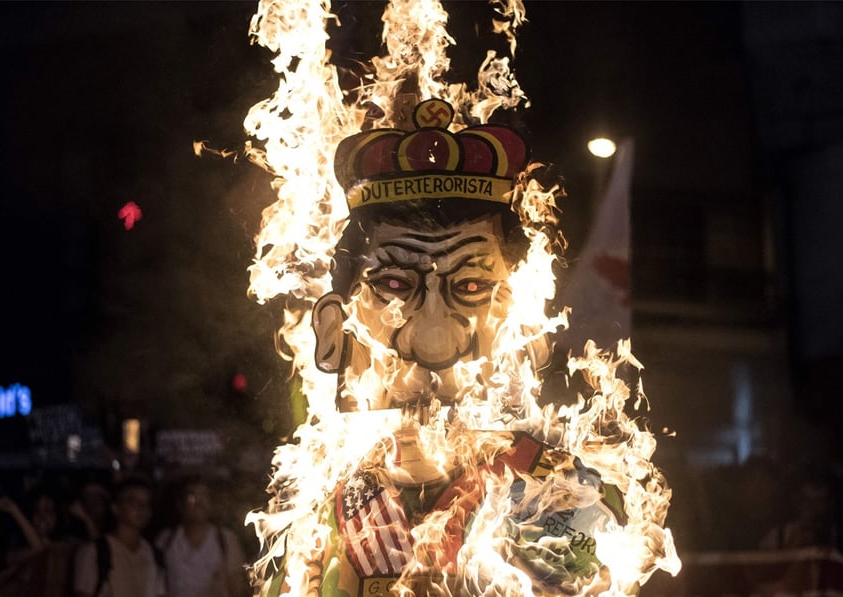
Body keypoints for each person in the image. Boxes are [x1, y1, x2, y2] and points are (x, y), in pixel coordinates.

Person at [263, 99, 639, 596]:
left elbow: (601, 576)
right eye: (395, 287)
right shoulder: (334, 508)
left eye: (471, 289)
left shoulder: (558, 492)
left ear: (527, 333)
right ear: (335, 333)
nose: (433, 339)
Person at [73, 476, 165, 597]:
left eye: (146, 504)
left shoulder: (153, 554)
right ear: (115, 508)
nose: (142, 509)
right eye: (133, 502)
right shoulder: (94, 552)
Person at [154, 476, 244, 597]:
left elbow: (236, 588)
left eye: (204, 496)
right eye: (192, 496)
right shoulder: (166, 540)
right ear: (181, 503)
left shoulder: (226, 540)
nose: (199, 503)